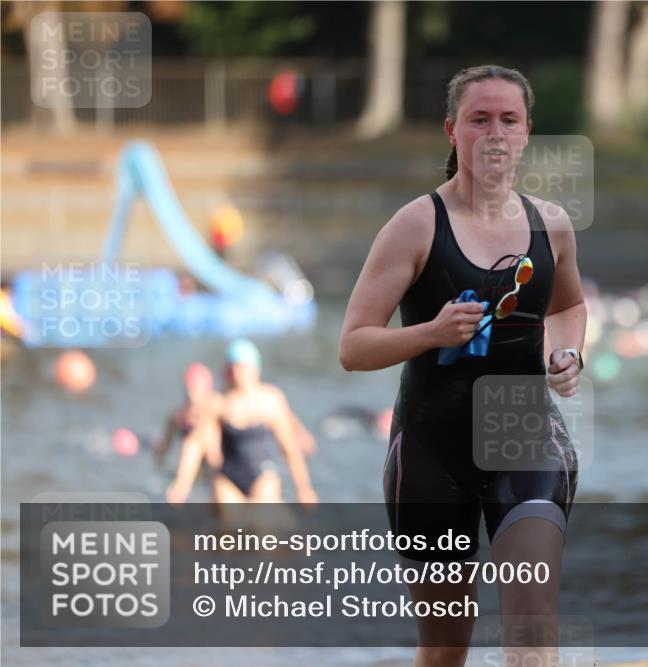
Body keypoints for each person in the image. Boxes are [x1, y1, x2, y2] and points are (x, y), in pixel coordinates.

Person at [339, 64, 586, 667]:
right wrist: (428, 332)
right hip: (431, 452)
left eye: (509, 119)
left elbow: (570, 304)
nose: (495, 133)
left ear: (528, 132)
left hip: (523, 435)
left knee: (532, 637)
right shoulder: (416, 224)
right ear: (452, 131)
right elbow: (353, 346)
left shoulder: (550, 224)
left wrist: (569, 352)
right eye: (479, 120)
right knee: (446, 649)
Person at [168, 339, 317, 506]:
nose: (237, 374)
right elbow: (195, 444)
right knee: (231, 524)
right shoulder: (218, 403)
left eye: (242, 368)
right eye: (233, 368)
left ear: (255, 370)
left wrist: (303, 487)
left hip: (261, 473)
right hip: (227, 476)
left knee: (263, 517)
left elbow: (289, 447)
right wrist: (181, 484)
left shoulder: (270, 401)